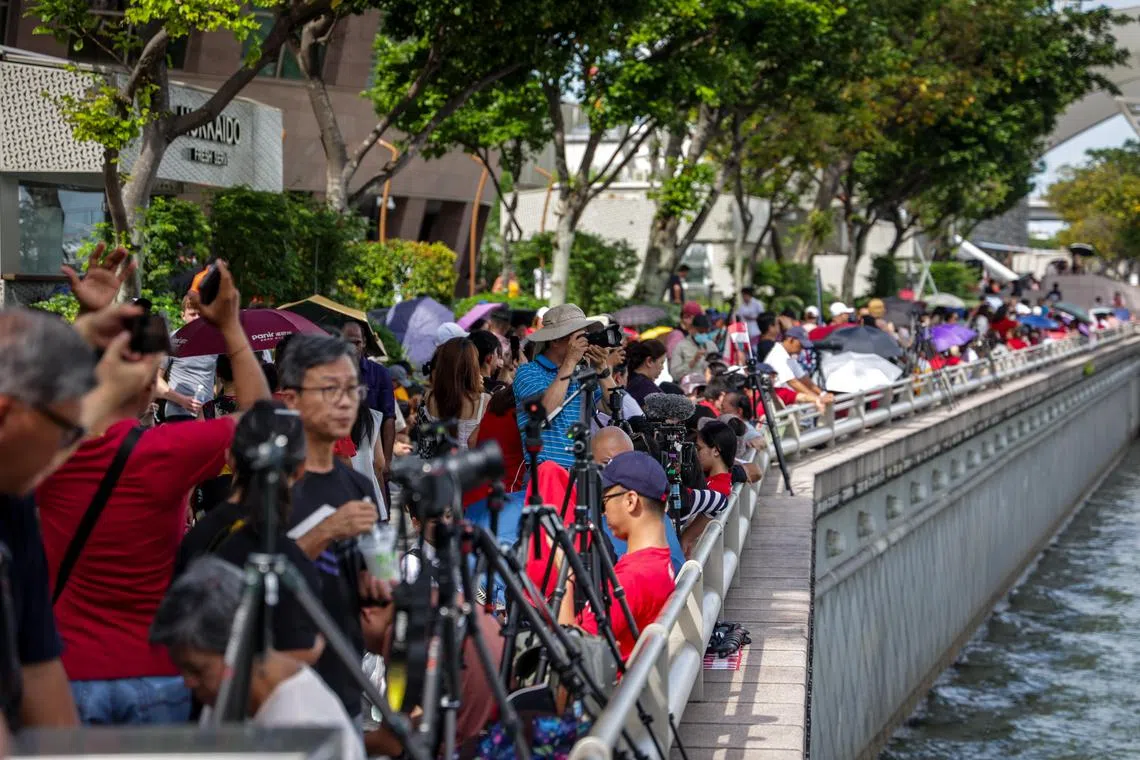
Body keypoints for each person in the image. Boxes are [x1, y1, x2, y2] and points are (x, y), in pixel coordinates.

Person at [38, 261, 271, 726]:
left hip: (57, 672)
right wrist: (230, 327)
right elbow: (264, 423)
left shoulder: (45, 451)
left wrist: (85, 325)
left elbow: (24, 393)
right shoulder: (169, 449)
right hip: (154, 674)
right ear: (150, 386)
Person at [0, 288, 163, 733]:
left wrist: (82, 336)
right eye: (71, 434)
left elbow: (39, 669)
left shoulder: (14, 498)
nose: (70, 450)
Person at [150, 558, 364, 760]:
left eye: (197, 670)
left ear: (243, 651)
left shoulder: (300, 727)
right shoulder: (226, 696)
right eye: (183, 669)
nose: (188, 683)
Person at [174, 400, 323, 665]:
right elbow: (300, 650)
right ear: (300, 469)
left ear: (230, 458)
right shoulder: (284, 554)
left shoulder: (195, 540)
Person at [557, 451, 675, 660]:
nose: (603, 512)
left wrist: (564, 573)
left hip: (617, 689)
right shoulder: (661, 561)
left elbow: (572, 655)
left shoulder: (631, 579)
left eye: (605, 500)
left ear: (631, 500)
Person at [513, 304, 619, 469]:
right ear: (555, 340)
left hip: (580, 473)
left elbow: (613, 408)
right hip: (545, 471)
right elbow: (544, 410)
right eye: (579, 337)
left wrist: (602, 370)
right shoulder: (528, 372)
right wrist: (570, 361)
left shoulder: (582, 373)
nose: (586, 341)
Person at [341, 322, 395, 505]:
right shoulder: (333, 373)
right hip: (343, 453)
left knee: (379, 509)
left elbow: (388, 417)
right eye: (347, 342)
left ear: (364, 343)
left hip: (373, 453)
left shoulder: (380, 374)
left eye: (356, 343)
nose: (352, 348)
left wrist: (387, 461)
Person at [420, 338, 489, 453]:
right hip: (470, 468)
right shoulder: (485, 401)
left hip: (436, 467)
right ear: (473, 366)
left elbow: (424, 446)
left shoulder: (429, 397)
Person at [157, 293, 218, 421]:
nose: (197, 318)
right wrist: (182, 400)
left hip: (207, 414)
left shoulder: (215, 342)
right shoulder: (172, 340)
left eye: (201, 314)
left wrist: (212, 394)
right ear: (183, 315)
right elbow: (155, 380)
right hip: (178, 414)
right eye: (193, 314)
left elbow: (221, 377)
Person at [764, 326, 833, 412]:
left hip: (790, 404)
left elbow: (803, 378)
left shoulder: (788, 355)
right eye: (801, 345)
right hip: (778, 406)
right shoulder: (777, 355)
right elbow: (793, 382)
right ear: (791, 340)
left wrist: (822, 394)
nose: (802, 350)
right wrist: (817, 398)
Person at [696, 420, 736, 496]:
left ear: (716, 451)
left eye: (699, 448)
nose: (696, 453)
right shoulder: (722, 480)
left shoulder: (716, 489)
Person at [668, 314, 712, 381]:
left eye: (706, 332)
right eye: (700, 331)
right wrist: (693, 362)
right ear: (692, 328)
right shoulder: (681, 346)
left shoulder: (711, 345)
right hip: (688, 388)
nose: (703, 334)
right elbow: (674, 374)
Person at [624, 340, 667, 405]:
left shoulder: (628, 379)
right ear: (649, 361)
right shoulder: (648, 389)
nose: (662, 368)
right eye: (661, 362)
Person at [469, 329, 506, 394]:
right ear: (489, 358)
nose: (498, 359)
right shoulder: (500, 388)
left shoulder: (460, 384)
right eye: (497, 354)